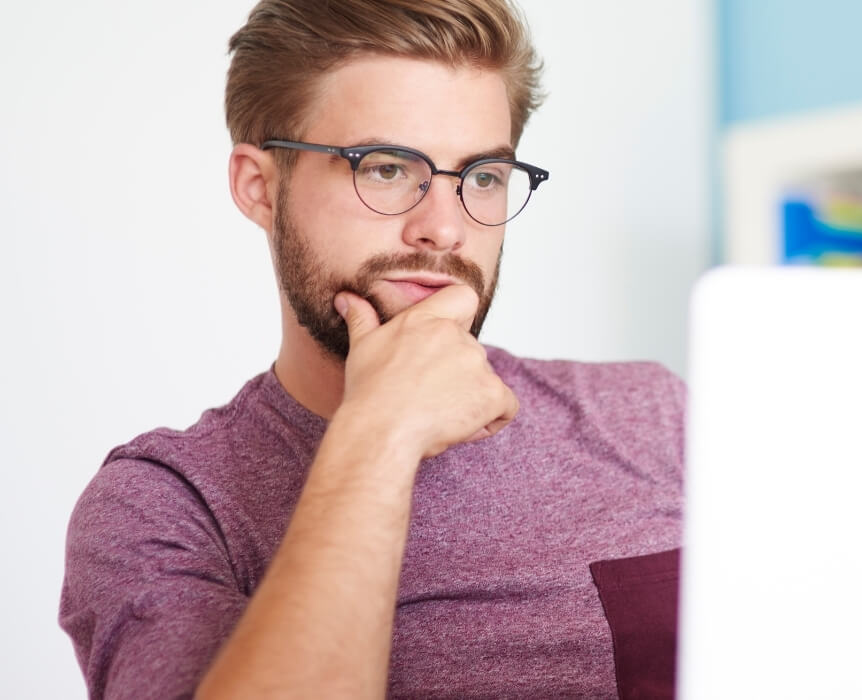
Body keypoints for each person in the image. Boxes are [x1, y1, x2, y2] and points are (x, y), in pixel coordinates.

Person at [58, 1, 685, 697]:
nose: (444, 229)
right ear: (259, 187)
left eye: (481, 176)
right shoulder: (165, 504)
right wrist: (380, 431)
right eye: (386, 169)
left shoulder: (652, 415)